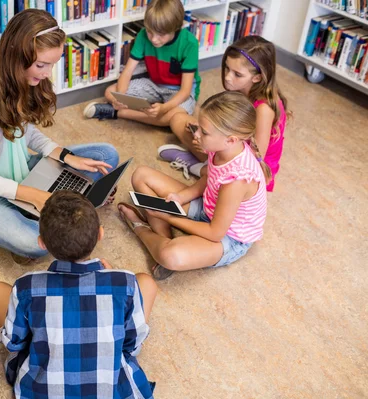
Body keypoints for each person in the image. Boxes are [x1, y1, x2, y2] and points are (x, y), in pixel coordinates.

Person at [0, 9, 119, 264]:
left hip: (21, 170)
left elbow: (22, 131)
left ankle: (50, 207)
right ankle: (53, 207)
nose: (47, 74)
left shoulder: (20, 75)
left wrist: (67, 157)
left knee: (105, 155)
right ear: (18, 55)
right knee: (34, 243)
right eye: (41, 65)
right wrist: (33, 196)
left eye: (51, 65)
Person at [0, 191, 158, 399]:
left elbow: (14, 342)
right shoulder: (125, 282)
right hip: (114, 392)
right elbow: (132, 343)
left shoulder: (27, 286)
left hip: (42, 392)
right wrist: (110, 277)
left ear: (42, 243)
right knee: (145, 283)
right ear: (100, 234)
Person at [119, 91, 269, 280]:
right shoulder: (221, 147)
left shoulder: (237, 181)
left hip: (227, 237)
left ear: (230, 139)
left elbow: (215, 233)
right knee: (141, 175)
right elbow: (208, 179)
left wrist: (169, 217)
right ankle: (165, 239)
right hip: (208, 208)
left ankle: (141, 228)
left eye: (204, 132)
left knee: (171, 256)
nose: (196, 135)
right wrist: (181, 197)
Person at [159, 36, 289, 191]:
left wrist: (212, 146)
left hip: (249, 170)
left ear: (257, 77)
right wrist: (206, 131)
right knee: (178, 119)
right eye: (227, 68)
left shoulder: (264, 109)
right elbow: (229, 124)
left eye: (237, 74)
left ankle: (199, 168)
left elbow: (255, 157)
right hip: (230, 144)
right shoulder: (241, 90)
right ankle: (205, 164)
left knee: (217, 166)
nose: (227, 77)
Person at [83, 0, 200, 128]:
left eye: (161, 34)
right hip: (154, 84)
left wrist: (164, 108)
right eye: (150, 32)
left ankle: (117, 113)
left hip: (179, 91)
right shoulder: (143, 35)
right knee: (110, 91)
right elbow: (127, 71)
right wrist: (120, 98)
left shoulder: (190, 43)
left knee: (172, 117)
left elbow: (185, 91)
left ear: (176, 28)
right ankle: (124, 110)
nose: (154, 39)